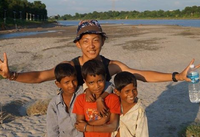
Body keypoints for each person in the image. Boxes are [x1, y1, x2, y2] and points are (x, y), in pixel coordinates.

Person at [0, 20, 197, 86]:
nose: (91, 45)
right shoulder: (71, 66)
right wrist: (12, 75)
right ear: (78, 44)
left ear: (103, 42)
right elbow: (40, 76)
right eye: (85, 41)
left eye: (96, 40)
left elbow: (140, 74)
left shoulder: (111, 65)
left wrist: (177, 76)